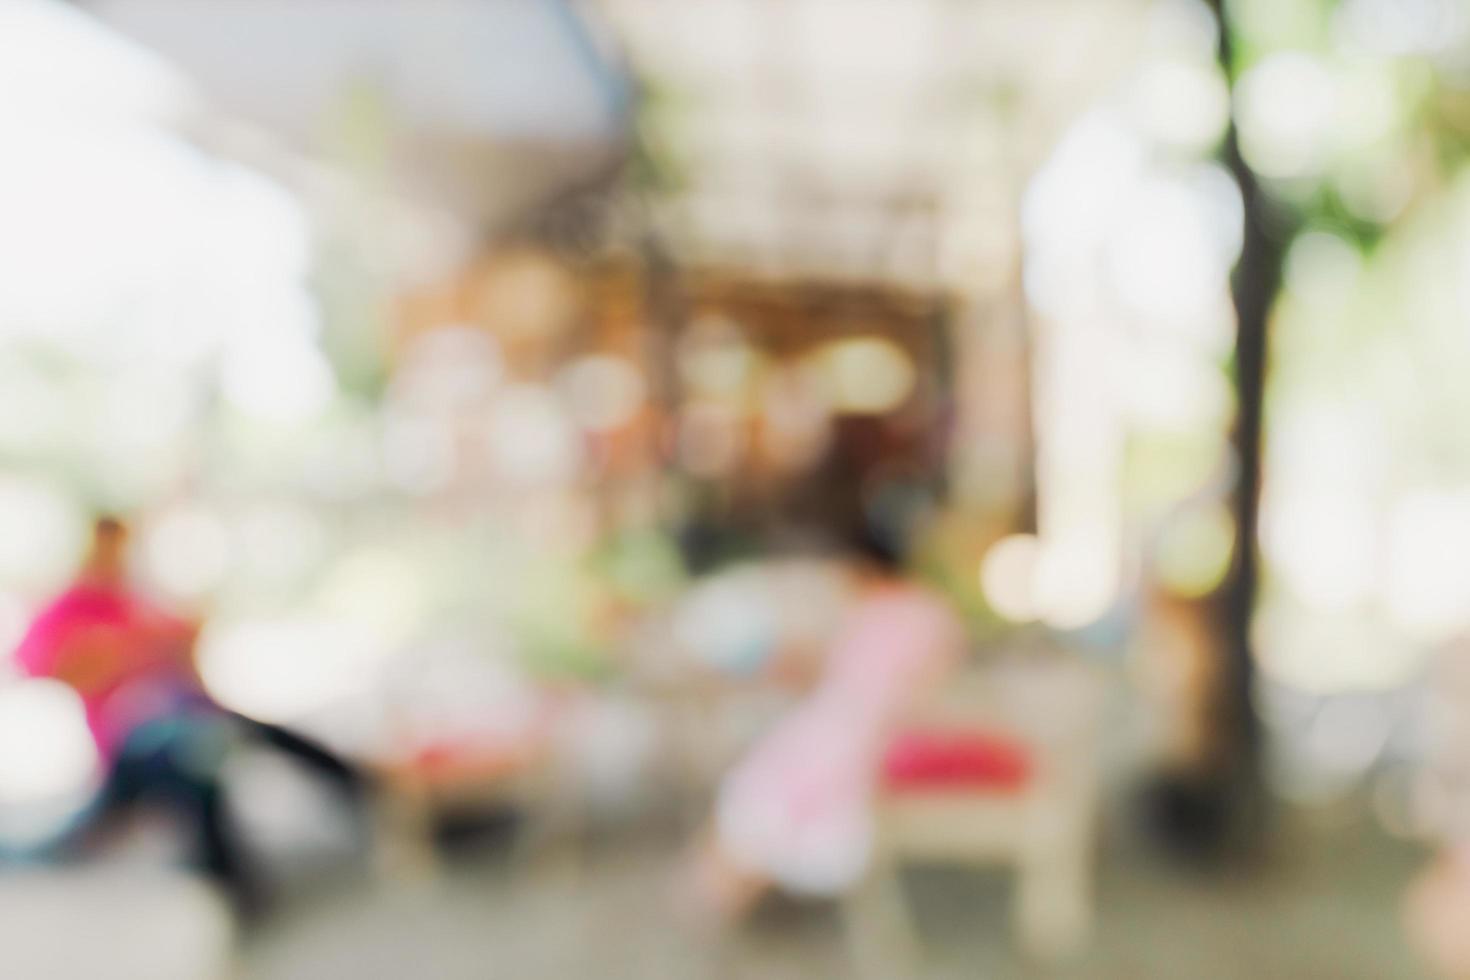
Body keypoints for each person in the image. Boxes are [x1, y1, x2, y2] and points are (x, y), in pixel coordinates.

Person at [14, 515, 366, 917]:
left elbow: (185, 650)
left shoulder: (135, 602)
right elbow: (35, 665)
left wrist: (175, 643)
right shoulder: (71, 607)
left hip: (186, 719)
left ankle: (365, 789)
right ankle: (233, 885)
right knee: (190, 764)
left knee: (243, 736)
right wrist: (107, 655)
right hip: (130, 739)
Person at [689, 526, 965, 919]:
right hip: (843, 724)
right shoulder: (902, 613)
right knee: (777, 781)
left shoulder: (913, 614)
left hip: (867, 730)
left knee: (787, 787)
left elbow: (920, 691)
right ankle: (723, 888)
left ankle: (723, 890)